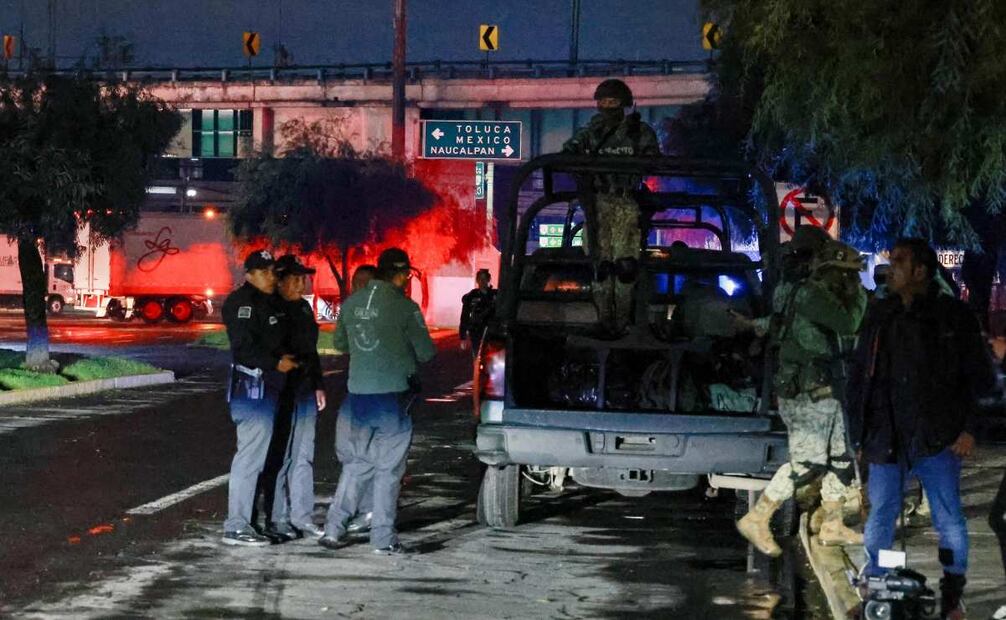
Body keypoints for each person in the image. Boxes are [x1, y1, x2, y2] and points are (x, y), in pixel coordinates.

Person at [846, 238, 996, 620]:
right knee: (881, 515)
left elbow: (980, 378)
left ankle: (952, 595)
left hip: (939, 439)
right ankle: (876, 585)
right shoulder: (881, 315)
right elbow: (859, 377)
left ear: (920, 271)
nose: (890, 267)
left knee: (948, 518)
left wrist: (970, 429)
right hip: (886, 438)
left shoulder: (953, 316)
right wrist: (858, 435)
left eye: (899, 261)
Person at [733, 227, 867, 557]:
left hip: (820, 385)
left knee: (841, 457)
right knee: (808, 463)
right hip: (809, 388)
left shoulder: (791, 288)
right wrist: (860, 295)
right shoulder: (811, 293)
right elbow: (849, 324)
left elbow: (779, 324)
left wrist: (753, 326)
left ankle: (833, 524)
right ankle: (758, 516)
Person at [321, 248, 436, 554]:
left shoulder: (352, 303)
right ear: (400, 274)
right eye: (407, 275)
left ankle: (333, 528)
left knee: (358, 463)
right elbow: (426, 352)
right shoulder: (405, 307)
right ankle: (383, 539)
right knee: (389, 469)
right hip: (393, 398)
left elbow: (340, 343)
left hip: (358, 396)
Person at [562, 78, 660, 334]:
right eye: (604, 102)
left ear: (623, 104)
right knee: (601, 267)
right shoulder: (590, 132)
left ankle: (622, 322)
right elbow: (567, 153)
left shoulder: (639, 132)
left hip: (627, 201)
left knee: (626, 267)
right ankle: (605, 320)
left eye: (613, 101)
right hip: (598, 203)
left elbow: (653, 160)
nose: (608, 106)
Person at [220, 250, 298, 546]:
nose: (271, 277)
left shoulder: (270, 302)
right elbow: (243, 348)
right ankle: (237, 526)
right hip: (252, 389)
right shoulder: (242, 302)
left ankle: (253, 522)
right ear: (249, 275)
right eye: (264, 272)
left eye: (272, 271)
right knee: (250, 459)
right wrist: (275, 362)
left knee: (266, 459)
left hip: (271, 388)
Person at [257, 254, 328, 541]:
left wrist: (318, 384)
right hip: (280, 392)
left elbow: (311, 351)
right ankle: (277, 517)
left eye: (304, 278)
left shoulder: (303, 309)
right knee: (281, 457)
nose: (302, 284)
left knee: (304, 456)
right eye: (296, 278)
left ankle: (302, 516)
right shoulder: (270, 309)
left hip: (304, 390)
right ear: (281, 280)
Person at [459, 269, 496, 354]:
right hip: (476, 331)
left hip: (492, 332)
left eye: (485, 279)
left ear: (488, 279)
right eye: (480, 279)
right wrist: (463, 337)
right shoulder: (471, 296)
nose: (482, 281)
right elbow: (464, 316)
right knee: (477, 355)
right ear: (477, 280)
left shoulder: (494, 295)